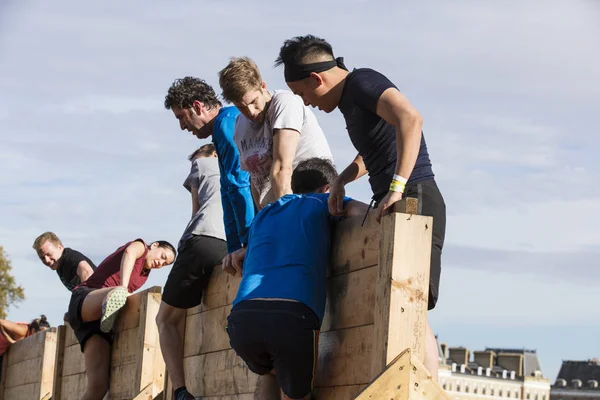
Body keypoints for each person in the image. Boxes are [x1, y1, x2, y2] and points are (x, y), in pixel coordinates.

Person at [275, 35, 447, 380]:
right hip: (398, 199)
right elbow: (378, 146)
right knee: (400, 302)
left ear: (316, 79)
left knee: (411, 306)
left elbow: (411, 120)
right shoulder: (352, 100)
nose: (306, 104)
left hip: (416, 198)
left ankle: (424, 387)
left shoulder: (363, 82)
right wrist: (342, 180)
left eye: (302, 94)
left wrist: (397, 187)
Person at [223, 158, 368, 400]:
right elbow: (365, 214)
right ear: (327, 188)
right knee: (297, 394)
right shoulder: (323, 201)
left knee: (269, 373)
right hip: (292, 315)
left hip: (241, 319)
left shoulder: (265, 213)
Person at [155, 143, 228, 400]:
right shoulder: (239, 166)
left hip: (202, 237)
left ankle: (180, 391)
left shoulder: (202, 163)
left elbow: (196, 210)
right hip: (231, 243)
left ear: (212, 153)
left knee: (164, 320)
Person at [217, 57, 334, 210]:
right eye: (241, 107)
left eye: (253, 102)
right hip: (275, 208)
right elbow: (255, 180)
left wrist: (286, 218)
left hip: (308, 201)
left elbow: (282, 169)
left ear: (262, 86)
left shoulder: (285, 103)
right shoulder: (240, 124)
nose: (250, 112)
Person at [67, 239, 176, 400]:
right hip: (88, 298)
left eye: (164, 264)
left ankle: (110, 311)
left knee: (98, 386)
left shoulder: (144, 276)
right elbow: (129, 253)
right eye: (162, 256)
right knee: (117, 294)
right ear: (154, 246)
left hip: (96, 325)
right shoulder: (141, 247)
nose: (160, 263)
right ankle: (114, 298)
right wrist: (123, 287)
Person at [165, 77, 255, 256]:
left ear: (198, 107)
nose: (182, 126)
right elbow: (228, 193)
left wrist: (248, 242)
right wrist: (234, 248)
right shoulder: (220, 131)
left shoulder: (227, 122)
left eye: (181, 117)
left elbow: (240, 183)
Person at [32, 232, 96, 291]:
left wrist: (86, 297)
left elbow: (87, 271)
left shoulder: (69, 256)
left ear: (60, 247)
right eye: (42, 258)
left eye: (49, 254)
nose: (47, 260)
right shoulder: (59, 265)